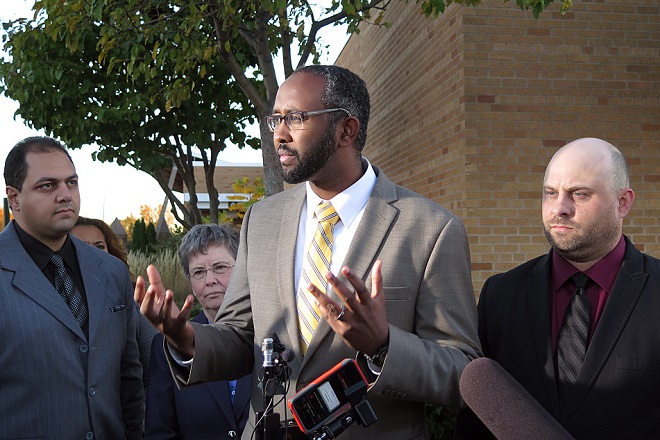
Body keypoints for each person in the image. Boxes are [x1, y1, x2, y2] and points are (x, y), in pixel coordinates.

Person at [136, 65, 481, 439]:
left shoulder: (431, 229)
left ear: (345, 130)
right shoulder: (262, 220)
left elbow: (462, 370)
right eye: (276, 119)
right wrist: (185, 338)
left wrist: (384, 345)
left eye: (295, 118)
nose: (279, 134)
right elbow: (239, 337)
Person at [454, 138, 660, 438]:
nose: (560, 208)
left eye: (579, 194)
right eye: (551, 193)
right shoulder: (500, 295)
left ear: (623, 202)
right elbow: (475, 425)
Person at [1, 136, 144, 439]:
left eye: (72, 182)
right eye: (48, 185)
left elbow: (130, 377)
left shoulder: (111, 271)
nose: (65, 195)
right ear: (14, 198)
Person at [144, 224, 251, 440]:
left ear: (242, 269)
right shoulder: (168, 346)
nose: (209, 280)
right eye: (199, 272)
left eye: (220, 267)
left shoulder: (272, 334)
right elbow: (160, 432)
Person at [71, 216, 158, 400]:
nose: (93, 253)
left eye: (100, 246)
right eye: (82, 246)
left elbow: (154, 368)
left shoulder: (133, 301)